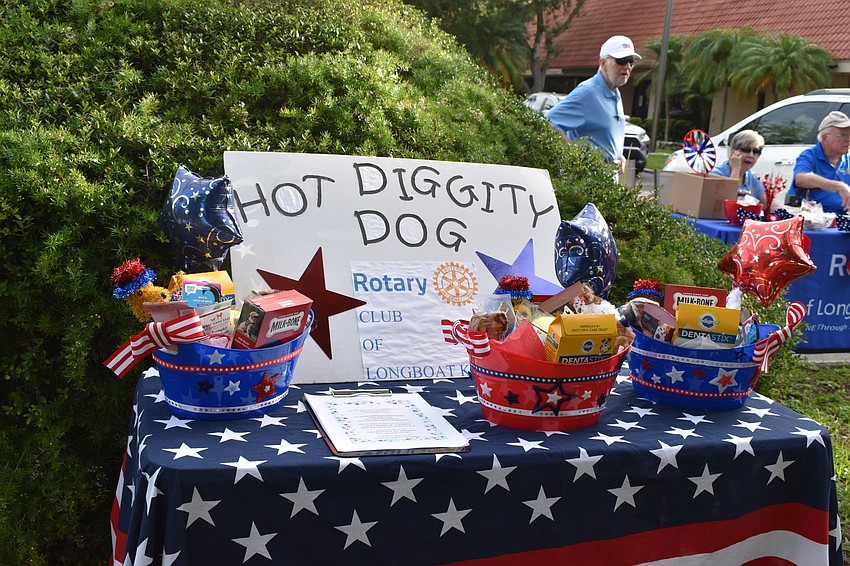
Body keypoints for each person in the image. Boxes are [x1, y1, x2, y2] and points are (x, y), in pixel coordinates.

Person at [545, 35, 641, 174]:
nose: (627, 66)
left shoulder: (615, 93)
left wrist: (619, 157)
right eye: (621, 60)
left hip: (608, 178)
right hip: (587, 179)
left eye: (631, 62)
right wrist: (577, 157)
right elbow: (547, 124)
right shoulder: (587, 93)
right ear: (603, 63)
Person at [787, 110, 850, 214]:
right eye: (843, 135)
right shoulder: (809, 156)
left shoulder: (848, 159)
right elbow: (801, 179)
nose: (848, 139)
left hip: (844, 217)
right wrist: (840, 187)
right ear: (825, 138)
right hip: (814, 216)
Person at [709, 130, 767, 207]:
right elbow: (729, 204)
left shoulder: (753, 177)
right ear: (733, 152)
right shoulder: (715, 175)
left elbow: (765, 205)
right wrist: (736, 169)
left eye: (756, 152)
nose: (751, 155)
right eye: (746, 150)